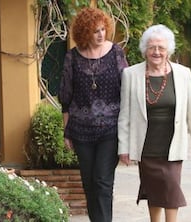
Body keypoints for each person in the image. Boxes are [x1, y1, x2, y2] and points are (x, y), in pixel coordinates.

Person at [117, 24, 191, 222]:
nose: (156, 52)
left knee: (171, 185)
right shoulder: (131, 74)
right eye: (152, 47)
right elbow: (124, 115)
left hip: (173, 144)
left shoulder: (183, 73)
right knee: (154, 190)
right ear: (145, 50)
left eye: (161, 48)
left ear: (168, 51)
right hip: (146, 146)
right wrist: (123, 148)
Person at [58, 7, 128, 222]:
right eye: (95, 31)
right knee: (89, 182)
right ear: (84, 33)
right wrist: (66, 131)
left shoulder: (116, 53)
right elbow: (66, 97)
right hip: (81, 130)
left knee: (102, 180)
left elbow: (128, 87)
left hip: (110, 129)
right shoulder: (73, 57)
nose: (100, 35)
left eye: (102, 30)